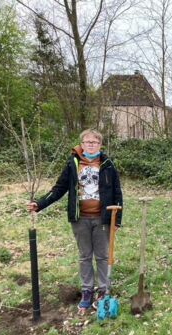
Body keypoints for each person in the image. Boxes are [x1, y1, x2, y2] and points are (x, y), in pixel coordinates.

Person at [27, 129, 123, 314]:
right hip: (80, 219)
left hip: (103, 218)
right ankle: (87, 291)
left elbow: (117, 193)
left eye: (94, 142)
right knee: (85, 255)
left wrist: (117, 220)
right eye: (87, 142)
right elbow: (59, 188)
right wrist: (40, 204)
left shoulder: (108, 165)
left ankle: (103, 290)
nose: (91, 145)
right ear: (82, 144)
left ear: (100, 145)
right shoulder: (73, 163)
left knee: (103, 256)